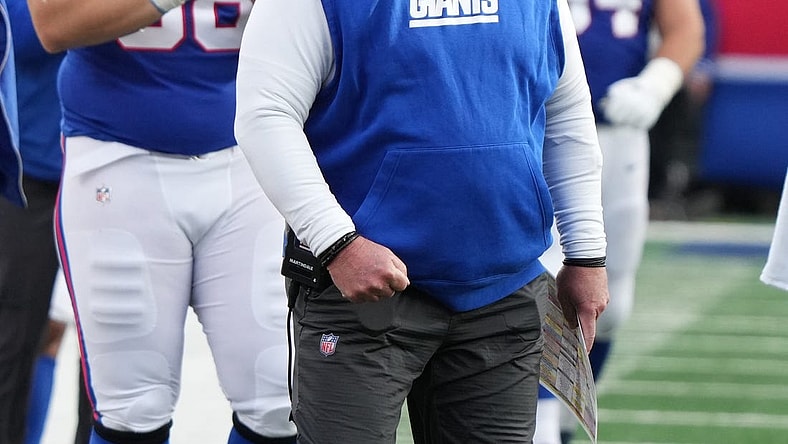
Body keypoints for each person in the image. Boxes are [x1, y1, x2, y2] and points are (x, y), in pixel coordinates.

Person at [234, 0, 609, 442]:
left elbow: (566, 112)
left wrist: (586, 253)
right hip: (364, 288)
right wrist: (336, 242)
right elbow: (266, 114)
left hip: (502, 289)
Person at [25, 0, 297, 443]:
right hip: (119, 159)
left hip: (249, 156)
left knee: (280, 405)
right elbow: (53, 23)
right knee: (132, 411)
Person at [534, 0, 705, 442]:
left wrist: (655, 85)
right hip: (537, 126)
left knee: (610, 303)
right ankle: (542, 420)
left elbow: (685, 27)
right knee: (538, 287)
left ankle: (568, 416)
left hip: (619, 134)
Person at [0, 1, 69, 443]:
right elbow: (31, 35)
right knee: (19, 336)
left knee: (110, 344)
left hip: (118, 169)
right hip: (30, 176)